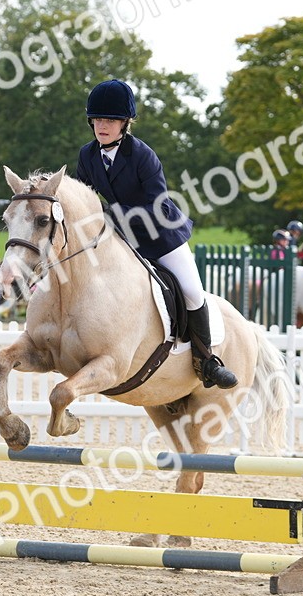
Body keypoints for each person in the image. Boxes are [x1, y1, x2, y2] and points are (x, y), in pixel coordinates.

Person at [74, 78, 236, 389]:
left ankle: (208, 362)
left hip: (161, 233)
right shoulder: (87, 156)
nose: (102, 126)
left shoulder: (141, 155)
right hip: (122, 237)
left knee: (191, 290)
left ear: (125, 123)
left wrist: (113, 217)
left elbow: (157, 206)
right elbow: (87, 198)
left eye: (110, 119)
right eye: (97, 119)